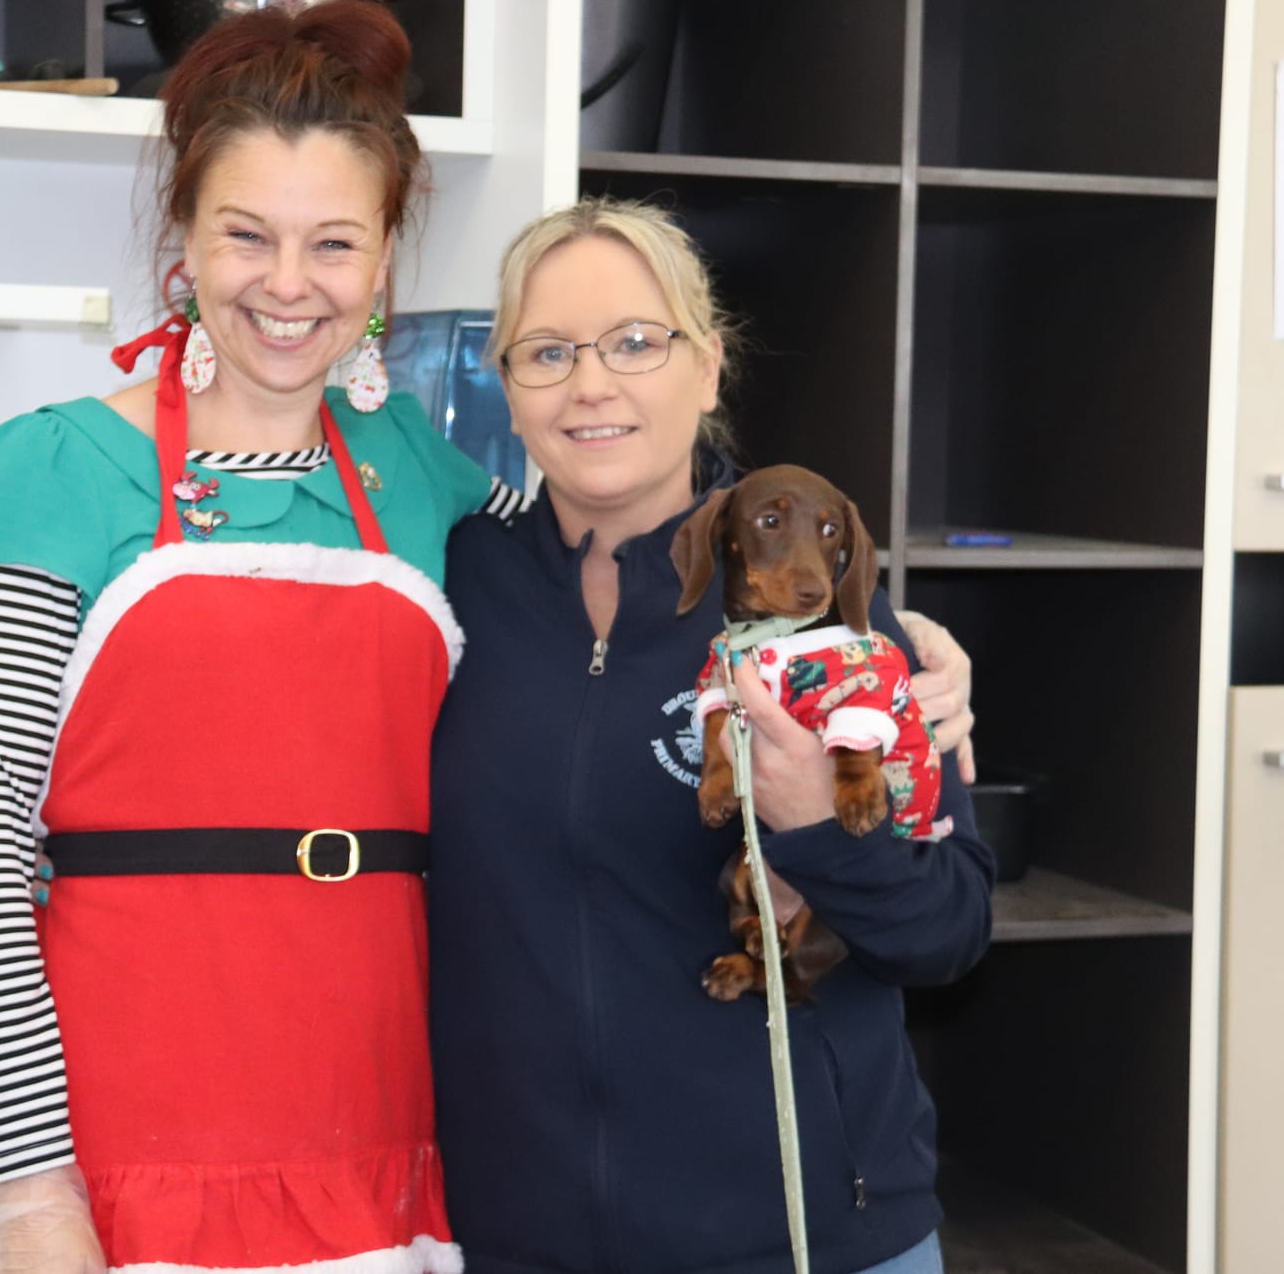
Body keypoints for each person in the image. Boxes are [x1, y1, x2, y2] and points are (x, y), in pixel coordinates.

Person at [0, 1, 520, 1274]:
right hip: (120, 1152)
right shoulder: (55, 467)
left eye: (333, 244)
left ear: (385, 256)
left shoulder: (421, 472)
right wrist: (28, 1198)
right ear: (183, 239)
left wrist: (873, 649)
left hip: (378, 1139)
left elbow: (611, 598)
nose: (289, 287)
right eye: (247, 235)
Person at [426, 198, 995, 1274]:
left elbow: (951, 928)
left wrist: (824, 829)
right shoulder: (451, 587)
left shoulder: (820, 616)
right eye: (547, 352)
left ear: (708, 366)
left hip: (804, 1235)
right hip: (517, 1238)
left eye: (637, 343)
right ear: (506, 385)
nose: (591, 383)